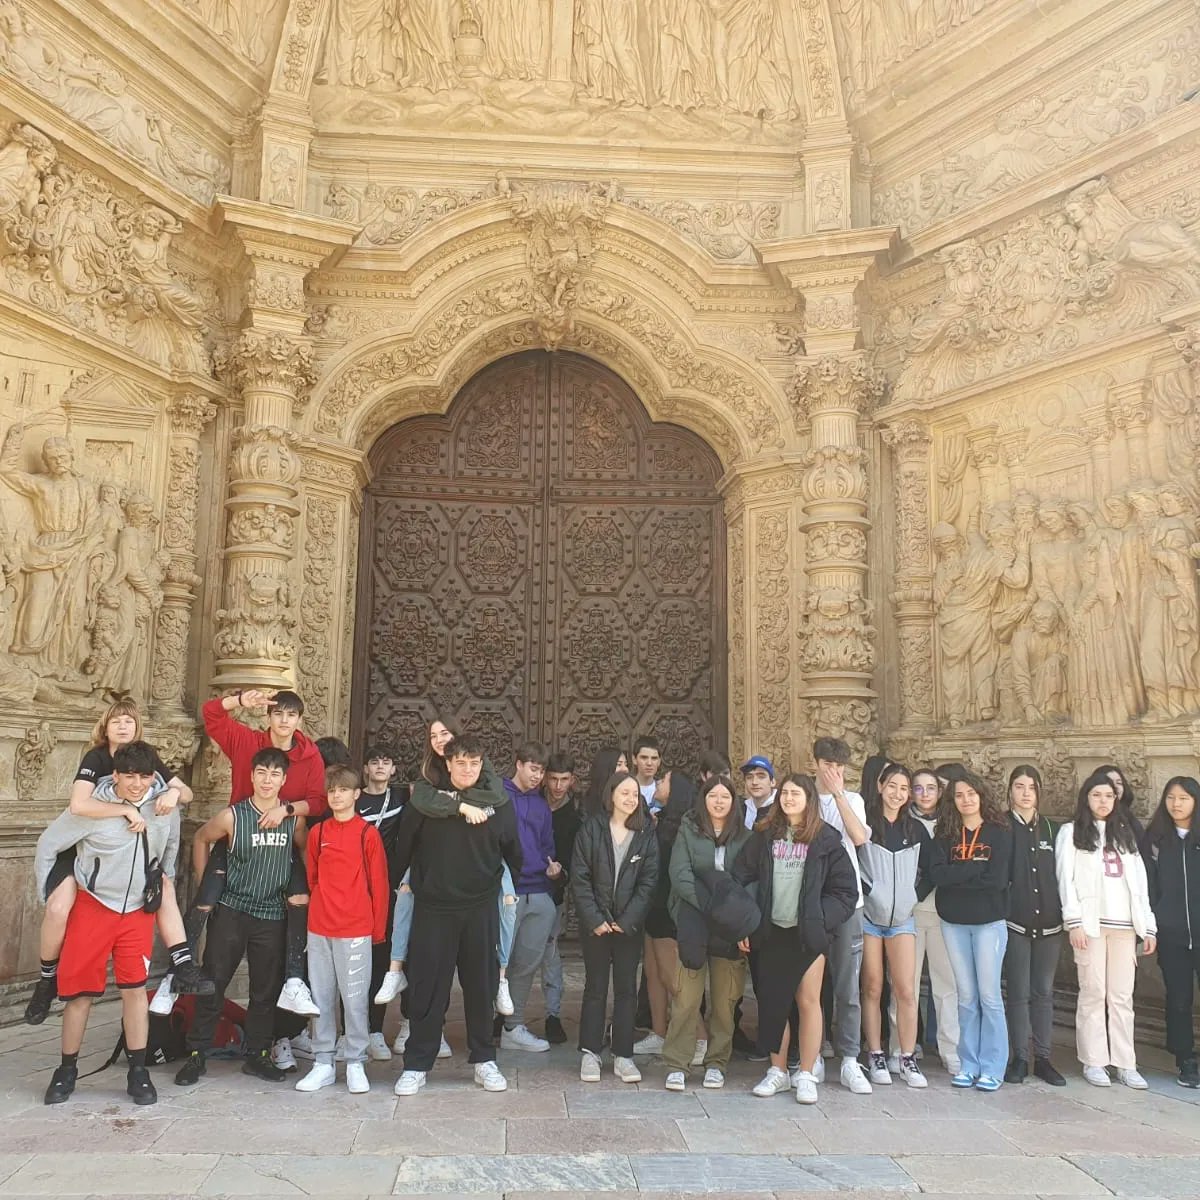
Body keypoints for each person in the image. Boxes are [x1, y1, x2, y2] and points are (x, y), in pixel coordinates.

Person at [25, 696, 205, 1026]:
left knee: (162, 884)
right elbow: (79, 805)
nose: (123, 726)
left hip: (121, 855)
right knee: (58, 908)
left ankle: (183, 963)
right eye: (116, 721)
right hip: (77, 846)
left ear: (138, 729)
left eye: (129, 721)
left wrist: (173, 793)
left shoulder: (145, 760)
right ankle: (46, 978)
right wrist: (125, 809)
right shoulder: (96, 758)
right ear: (105, 728)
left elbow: (186, 794)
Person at [34, 742, 177, 1106]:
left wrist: (162, 881)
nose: (137, 784)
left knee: (134, 991)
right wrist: (49, 891)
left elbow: (168, 847)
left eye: (144, 776)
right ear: (115, 775)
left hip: (135, 913)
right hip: (94, 907)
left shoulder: (164, 806)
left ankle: (138, 1072)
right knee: (80, 995)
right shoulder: (93, 809)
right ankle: (66, 1070)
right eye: (129, 776)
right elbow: (49, 844)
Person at [392, 734, 522, 1096]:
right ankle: (417, 1064)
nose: (467, 769)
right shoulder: (426, 802)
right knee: (426, 991)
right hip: (433, 908)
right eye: (460, 762)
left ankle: (485, 1061)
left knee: (481, 988)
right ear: (447, 764)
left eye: (474, 763)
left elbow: (513, 849)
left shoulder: (498, 801)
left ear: (483, 765)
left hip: (480, 908)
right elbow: (405, 846)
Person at [195, 690, 326, 1038]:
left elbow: (317, 801)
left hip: (282, 844)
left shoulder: (310, 756)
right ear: (269, 717)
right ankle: (177, 976)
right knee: (208, 911)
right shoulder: (246, 741)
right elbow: (211, 714)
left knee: (297, 903)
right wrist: (239, 700)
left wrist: (286, 809)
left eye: (291, 715)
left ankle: (293, 983)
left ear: (300, 719)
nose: (284, 720)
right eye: (278, 713)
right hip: (237, 838)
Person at [175, 747, 305, 1087]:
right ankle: (196, 1053)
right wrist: (207, 886)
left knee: (265, 989)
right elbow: (201, 838)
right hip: (233, 909)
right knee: (212, 982)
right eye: (262, 772)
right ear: (251, 775)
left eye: (275, 774)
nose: (267, 780)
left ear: (284, 779)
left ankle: (259, 1054)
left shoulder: (294, 820)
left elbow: (304, 854)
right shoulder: (233, 816)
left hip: (272, 912)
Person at [732, 772, 858, 1104]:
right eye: (785, 793)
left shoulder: (826, 839)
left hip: (807, 936)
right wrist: (747, 922)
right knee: (774, 1003)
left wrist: (819, 920)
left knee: (807, 1001)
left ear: (809, 800)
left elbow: (845, 890)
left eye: (796, 794)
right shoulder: (763, 835)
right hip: (772, 931)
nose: (789, 799)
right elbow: (740, 877)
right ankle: (777, 1071)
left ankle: (805, 1072)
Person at [1056, 769, 1156, 1089]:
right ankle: (1094, 1060)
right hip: (1091, 926)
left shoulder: (1124, 833)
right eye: (1097, 795)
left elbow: (1140, 884)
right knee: (1093, 993)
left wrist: (1148, 927)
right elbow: (1065, 881)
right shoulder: (1071, 833)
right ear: (1086, 798)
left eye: (1109, 796)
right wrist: (1073, 922)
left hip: (1125, 927)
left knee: (1121, 997)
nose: (1103, 801)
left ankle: (1125, 1063)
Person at [294, 765, 389, 1095]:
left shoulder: (368, 834)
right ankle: (323, 1062)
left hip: (356, 928)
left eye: (343, 790)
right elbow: (313, 877)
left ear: (355, 794)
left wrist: (377, 930)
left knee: (354, 999)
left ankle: (355, 1062)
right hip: (320, 926)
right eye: (332, 790)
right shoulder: (319, 833)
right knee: (321, 996)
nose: (336, 795)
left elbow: (378, 883)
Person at [924, 769, 1012, 1090]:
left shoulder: (999, 832)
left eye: (971, 794)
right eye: (959, 795)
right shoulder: (944, 834)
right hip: (953, 922)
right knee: (966, 996)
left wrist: (958, 874)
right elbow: (937, 875)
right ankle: (968, 1063)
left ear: (981, 795)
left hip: (989, 922)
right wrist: (974, 869)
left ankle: (992, 1066)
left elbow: (997, 880)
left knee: (989, 996)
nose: (965, 800)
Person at [662, 773, 751, 1090]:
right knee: (686, 996)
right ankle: (677, 1062)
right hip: (694, 916)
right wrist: (705, 903)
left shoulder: (745, 835)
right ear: (703, 799)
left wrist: (738, 917)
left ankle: (717, 1062)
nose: (718, 801)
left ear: (733, 802)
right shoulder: (689, 828)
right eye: (713, 795)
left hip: (729, 922)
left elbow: (749, 879)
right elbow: (679, 871)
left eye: (725, 797)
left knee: (726, 998)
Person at [572, 771, 660, 1084]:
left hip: (628, 927)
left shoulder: (646, 832)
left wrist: (627, 921)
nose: (630, 799)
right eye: (624, 793)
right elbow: (579, 877)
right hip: (596, 925)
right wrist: (595, 919)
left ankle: (623, 1055)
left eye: (635, 794)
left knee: (626, 990)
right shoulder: (592, 828)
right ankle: (590, 1052)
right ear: (611, 795)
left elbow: (649, 881)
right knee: (595, 988)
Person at [857, 763, 929, 1088]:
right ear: (880, 786)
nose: (898, 794)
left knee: (905, 990)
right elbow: (851, 863)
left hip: (902, 919)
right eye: (892, 786)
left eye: (904, 788)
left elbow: (930, 870)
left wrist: (914, 896)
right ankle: (875, 1053)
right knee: (872, 987)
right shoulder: (867, 826)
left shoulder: (915, 830)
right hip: (871, 917)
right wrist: (869, 891)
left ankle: (908, 1057)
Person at [888, 767, 960, 1075]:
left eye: (931, 788)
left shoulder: (951, 824)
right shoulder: (902, 823)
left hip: (944, 912)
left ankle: (950, 1049)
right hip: (908, 914)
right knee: (904, 986)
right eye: (918, 788)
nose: (925, 794)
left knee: (947, 985)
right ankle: (899, 1047)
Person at [812, 736, 873, 1095]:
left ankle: (850, 1057)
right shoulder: (803, 796)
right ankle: (815, 1050)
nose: (834, 772)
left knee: (848, 983)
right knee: (812, 983)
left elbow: (859, 837)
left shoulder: (852, 800)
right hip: (811, 901)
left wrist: (837, 795)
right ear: (815, 764)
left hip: (849, 902)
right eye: (828, 766)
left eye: (840, 767)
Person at [1003, 764, 1066, 1086]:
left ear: (1039, 791)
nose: (1025, 793)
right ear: (1010, 791)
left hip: (1050, 926)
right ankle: (1019, 1057)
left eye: (1031, 787)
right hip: (1015, 924)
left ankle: (1043, 1057)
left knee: (1043, 992)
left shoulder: (1055, 831)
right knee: (1017, 992)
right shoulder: (1001, 827)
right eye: (1019, 786)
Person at [499, 741, 562, 1053]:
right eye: (534, 769)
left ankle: (514, 1026)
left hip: (538, 892)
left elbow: (547, 846)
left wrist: (553, 870)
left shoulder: (541, 806)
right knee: (495, 962)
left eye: (541, 771)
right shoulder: (498, 796)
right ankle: (485, 1026)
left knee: (525, 964)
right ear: (519, 764)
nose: (538, 776)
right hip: (504, 891)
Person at [1144, 777, 1200, 1088]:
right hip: (1172, 935)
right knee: (1178, 999)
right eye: (1171, 798)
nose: (1176, 804)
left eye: (1184, 798)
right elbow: (1149, 888)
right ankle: (1185, 1060)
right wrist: (1157, 920)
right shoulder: (1156, 840)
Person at [355, 744, 410, 1062]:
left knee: (382, 961)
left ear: (393, 771)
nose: (379, 766)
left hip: (390, 891)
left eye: (385, 761)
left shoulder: (403, 797)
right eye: (373, 761)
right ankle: (350, 1031)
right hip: (355, 890)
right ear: (364, 769)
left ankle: (376, 1030)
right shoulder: (352, 798)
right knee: (352, 962)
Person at [540, 750, 582, 1045]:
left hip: (553, 894)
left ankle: (552, 1015)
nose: (557, 786)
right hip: (520, 891)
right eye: (553, 779)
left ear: (572, 781)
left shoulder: (574, 817)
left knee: (551, 955)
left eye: (563, 780)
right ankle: (504, 1015)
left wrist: (560, 875)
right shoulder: (529, 803)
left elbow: (573, 860)